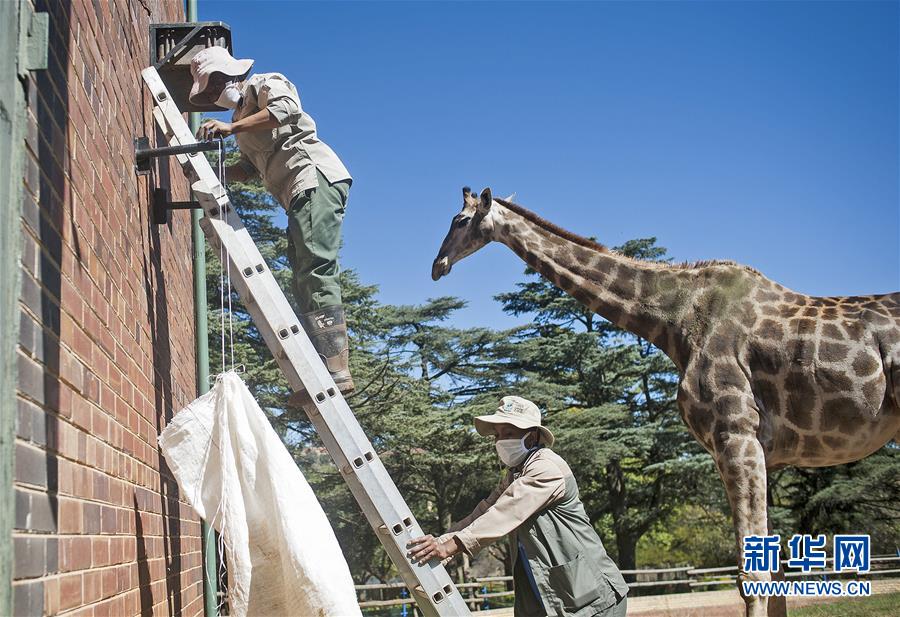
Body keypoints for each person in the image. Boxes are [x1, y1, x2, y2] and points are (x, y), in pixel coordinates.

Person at [187, 46, 354, 393]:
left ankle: (337, 366)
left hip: (314, 177)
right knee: (301, 273)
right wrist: (208, 167)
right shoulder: (241, 123)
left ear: (228, 74)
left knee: (315, 266)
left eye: (214, 84)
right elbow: (249, 170)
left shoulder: (266, 83)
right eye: (208, 90)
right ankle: (324, 364)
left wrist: (231, 129)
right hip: (295, 192)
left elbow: (285, 111)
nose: (214, 94)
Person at [408, 396, 629, 617]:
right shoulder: (515, 474)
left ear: (531, 436)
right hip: (552, 597)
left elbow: (505, 513)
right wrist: (440, 543)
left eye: (509, 433)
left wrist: (449, 547)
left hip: (592, 599)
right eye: (497, 435)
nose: (500, 441)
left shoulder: (547, 468)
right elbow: (485, 511)